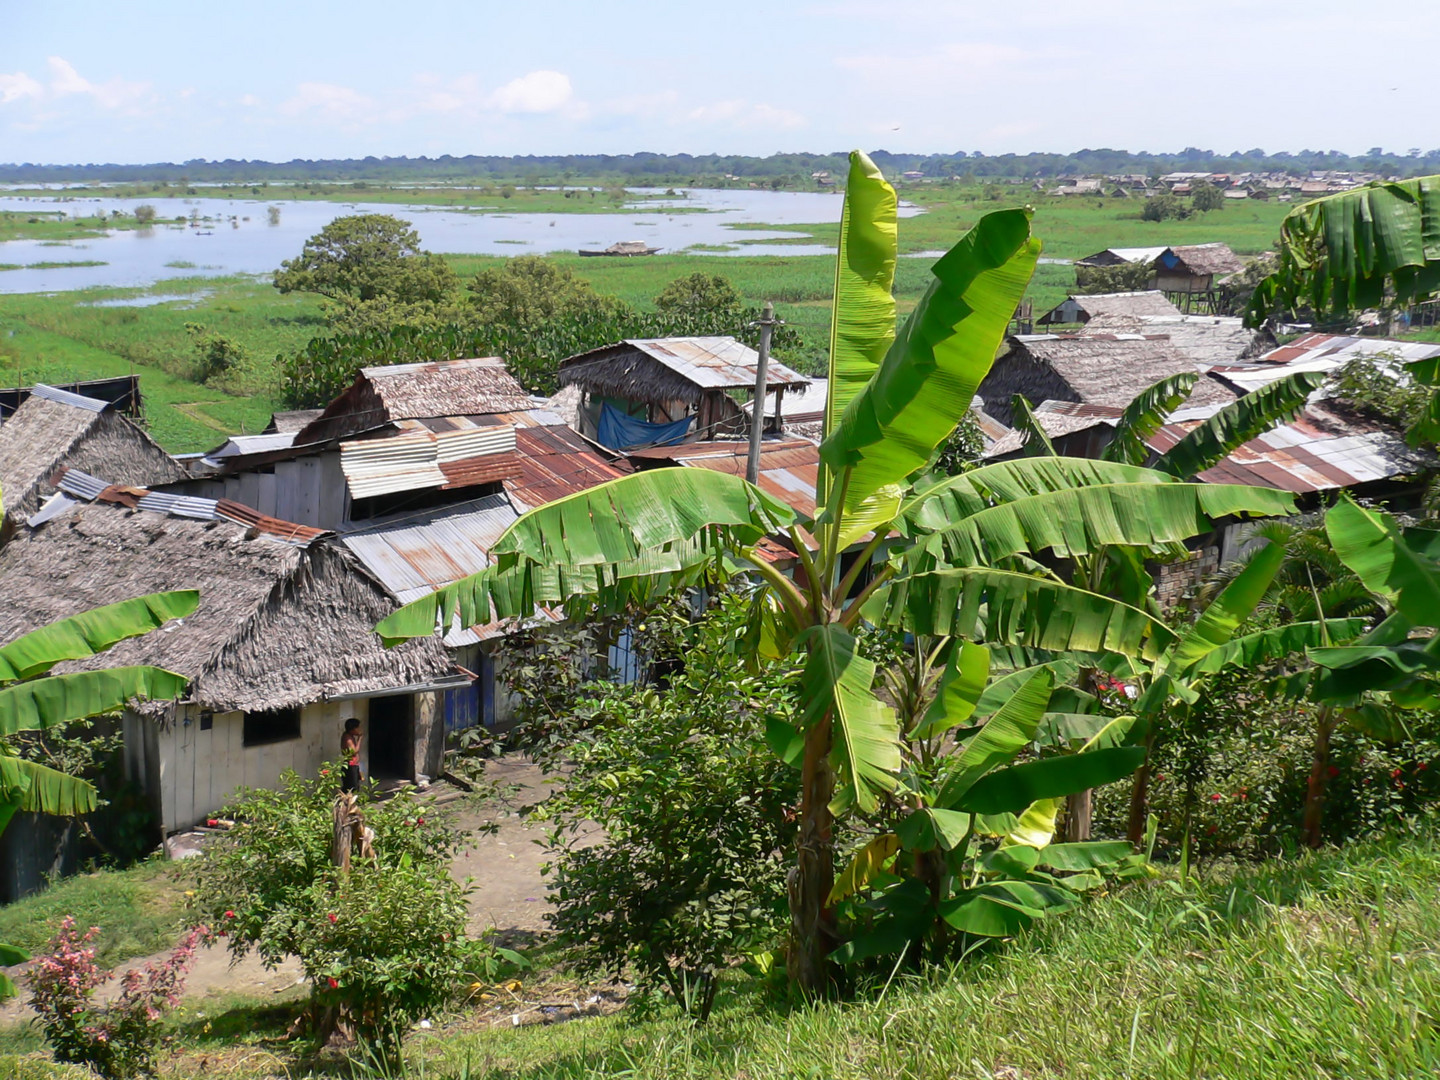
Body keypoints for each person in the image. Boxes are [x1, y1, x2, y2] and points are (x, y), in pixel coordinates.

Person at [341, 718, 363, 793]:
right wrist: (360, 738)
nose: (359, 729)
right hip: (350, 766)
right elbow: (354, 752)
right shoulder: (348, 738)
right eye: (358, 727)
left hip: (354, 765)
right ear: (353, 729)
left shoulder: (350, 736)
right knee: (351, 789)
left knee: (355, 787)